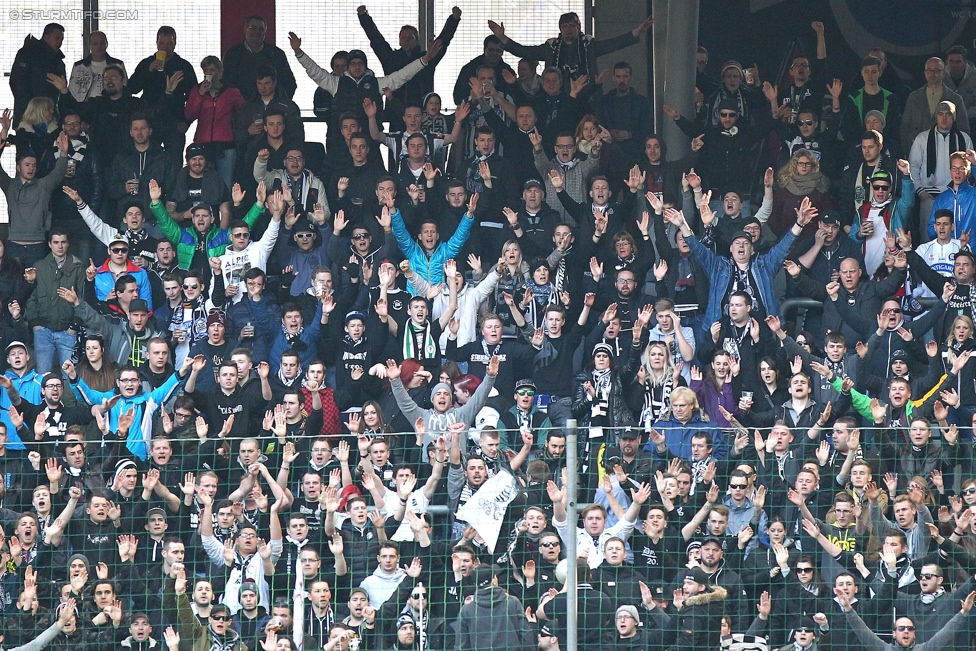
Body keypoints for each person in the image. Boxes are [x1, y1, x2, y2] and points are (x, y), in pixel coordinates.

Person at [488, 13, 653, 82]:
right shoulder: (551, 47)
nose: (568, 29)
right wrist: (502, 37)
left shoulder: (589, 45)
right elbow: (524, 51)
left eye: (572, 25)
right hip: (557, 96)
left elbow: (614, 44)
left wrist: (638, 31)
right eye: (565, 26)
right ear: (560, 29)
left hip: (586, 97)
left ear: (579, 27)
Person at [0, 131, 69, 267]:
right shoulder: (10, 186)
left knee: (36, 285)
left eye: (34, 165)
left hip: (37, 245)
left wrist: (64, 153)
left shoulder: (44, 185)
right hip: (14, 244)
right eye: (27, 165)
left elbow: (58, 172)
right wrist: (4, 134)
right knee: (14, 283)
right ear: (18, 167)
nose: (31, 168)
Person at [23, 228, 85, 375]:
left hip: (68, 330)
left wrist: (74, 326)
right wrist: (35, 324)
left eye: (63, 242)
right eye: (56, 242)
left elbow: (83, 298)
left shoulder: (78, 266)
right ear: (50, 244)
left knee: (69, 377)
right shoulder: (39, 266)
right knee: (43, 376)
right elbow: (31, 298)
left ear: (68, 244)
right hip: (43, 330)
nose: (60, 246)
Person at [184, 56, 246, 191]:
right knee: (205, 182)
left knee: (226, 183)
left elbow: (243, 113)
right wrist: (199, 95)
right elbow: (189, 114)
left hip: (225, 143)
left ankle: (226, 211)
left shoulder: (231, 91)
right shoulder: (197, 90)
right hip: (203, 143)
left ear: (220, 71)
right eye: (206, 70)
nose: (210, 73)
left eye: (213, 70)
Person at [222, 15, 298, 101]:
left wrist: (279, 105)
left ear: (265, 32)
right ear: (245, 29)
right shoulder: (233, 54)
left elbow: (290, 83)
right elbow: (224, 82)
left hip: (271, 110)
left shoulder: (277, 54)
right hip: (239, 110)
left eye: (261, 29)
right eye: (253, 28)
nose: (257, 31)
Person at [9, 23, 66, 123]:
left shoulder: (58, 62)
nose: (60, 42)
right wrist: (31, 108)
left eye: (62, 39)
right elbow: (17, 82)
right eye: (57, 38)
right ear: (46, 37)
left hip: (50, 115)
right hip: (27, 115)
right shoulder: (28, 54)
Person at [66, 31, 126, 102]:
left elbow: (124, 88)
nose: (99, 47)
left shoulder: (117, 65)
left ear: (106, 44)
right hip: (84, 108)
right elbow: (72, 90)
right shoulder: (79, 66)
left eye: (102, 43)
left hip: (109, 106)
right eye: (95, 44)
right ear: (89, 46)